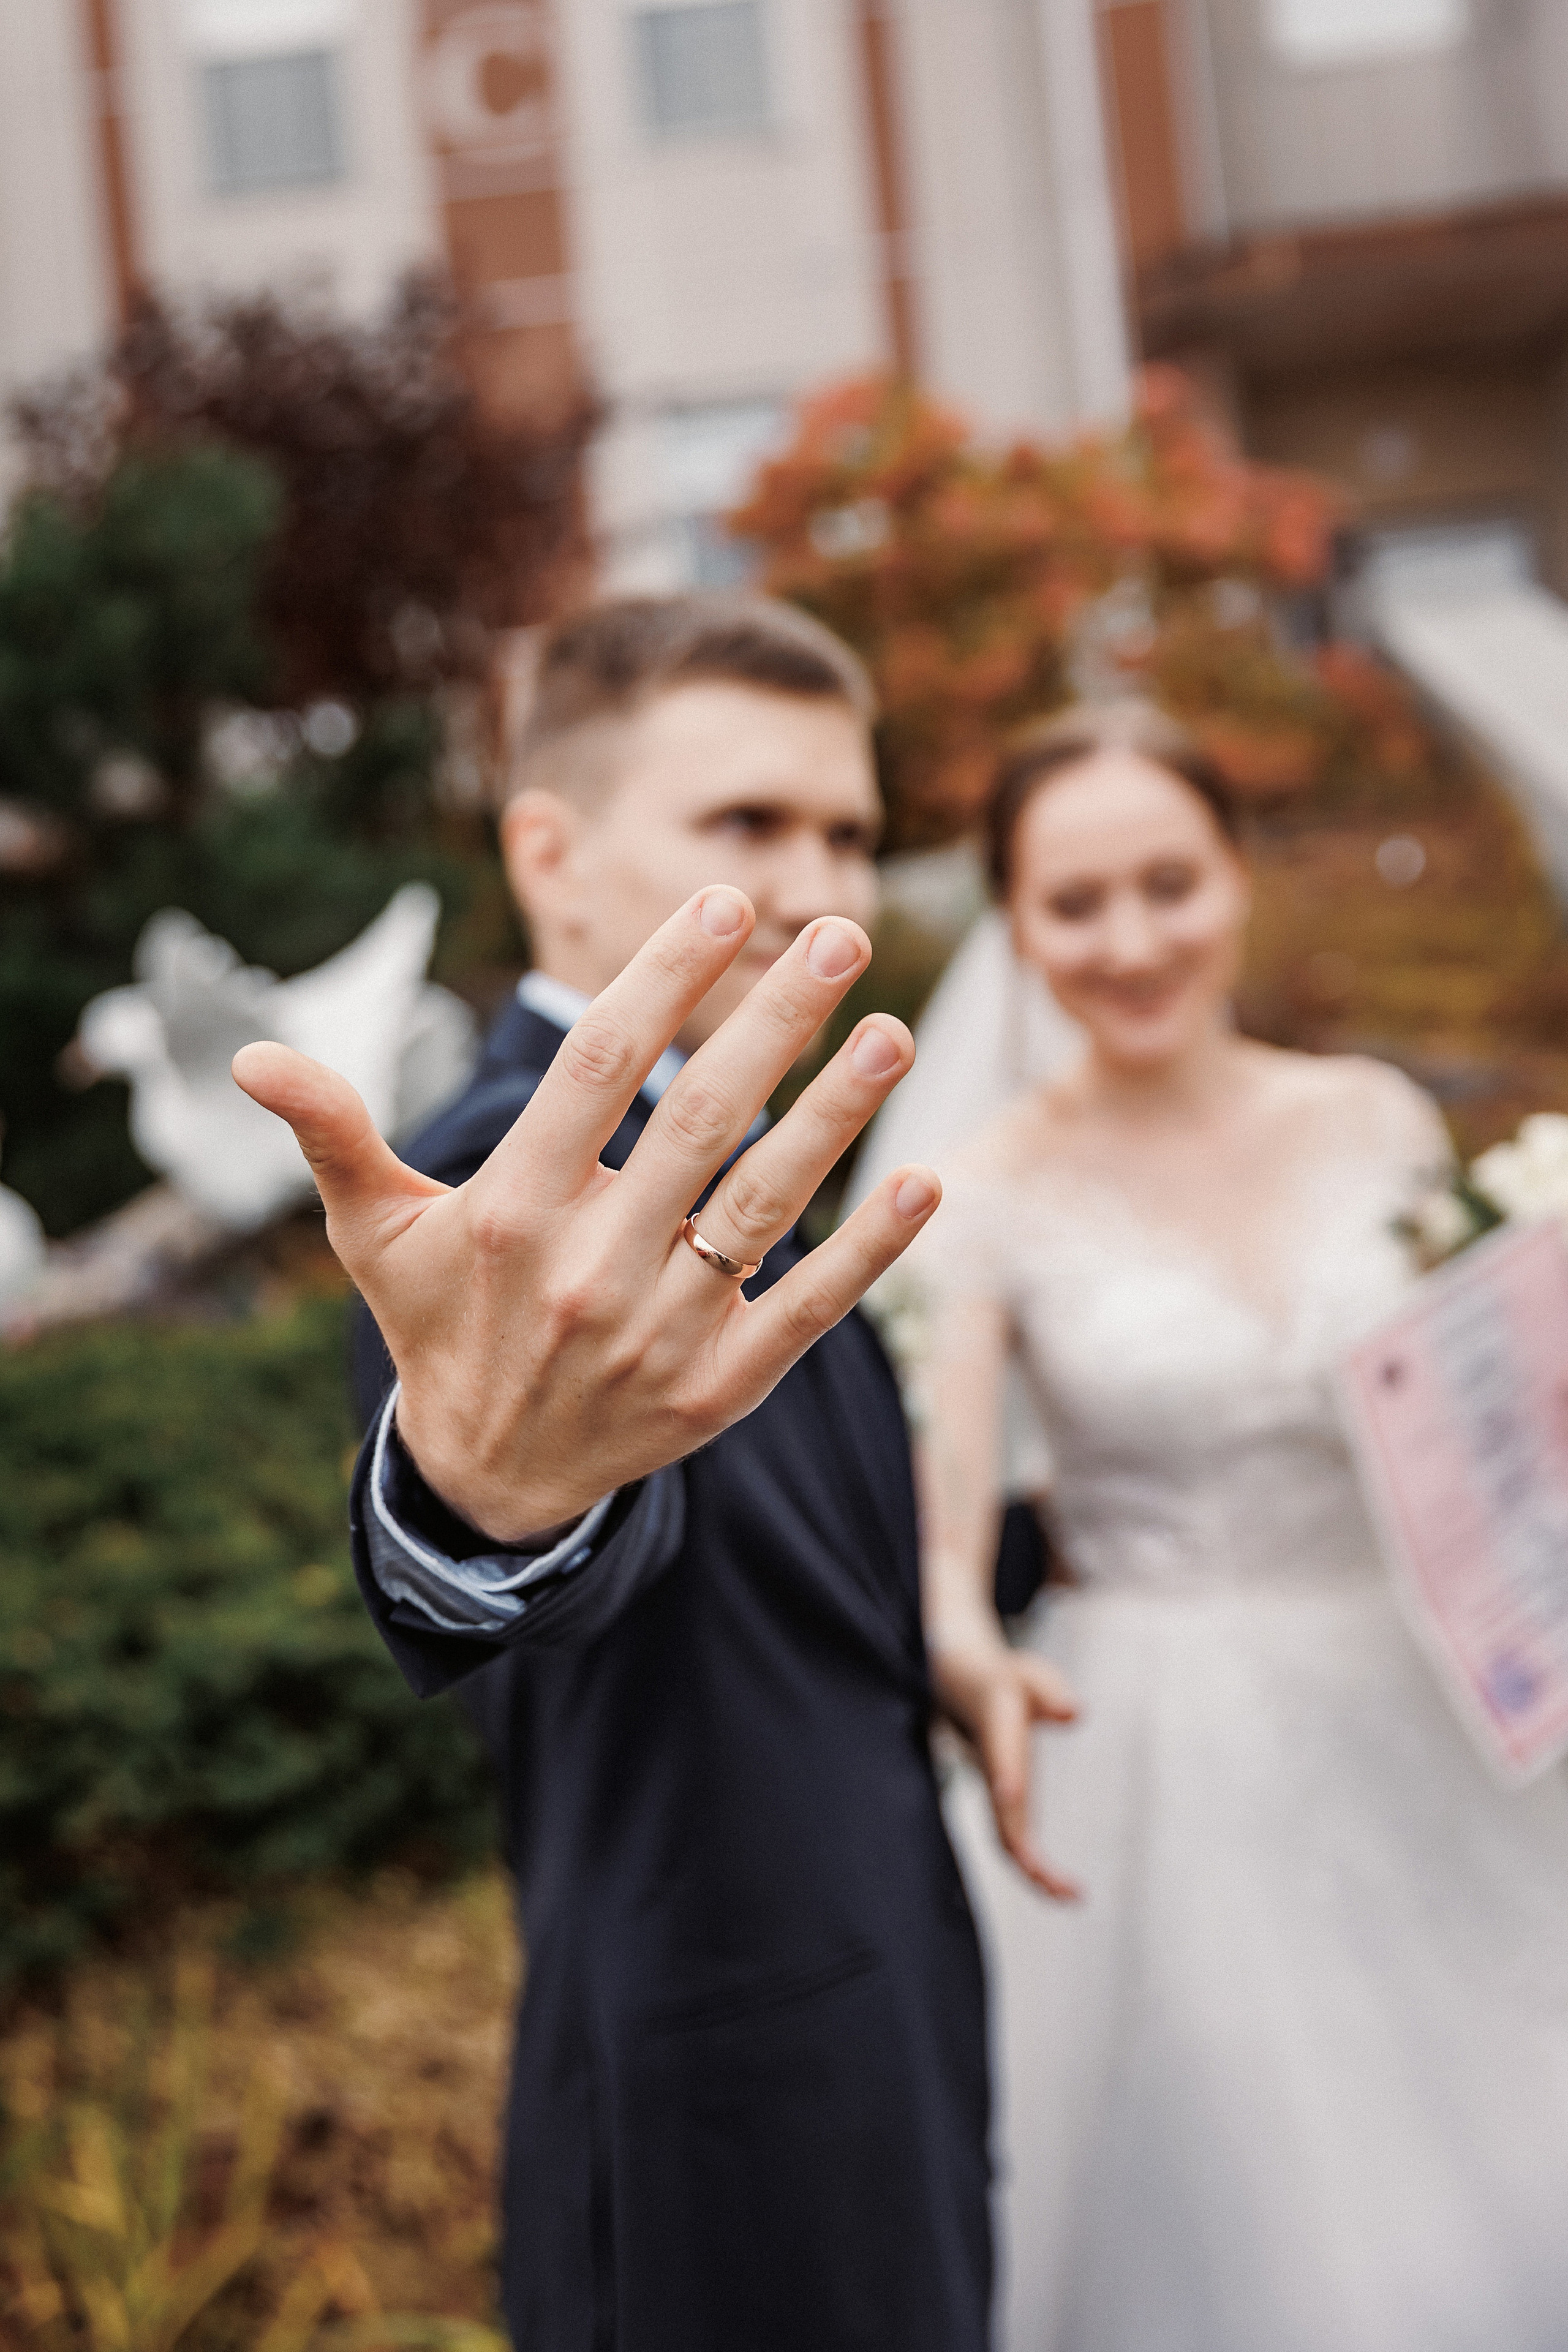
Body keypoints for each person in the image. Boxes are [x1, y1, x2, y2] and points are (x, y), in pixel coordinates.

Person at [233, 595, 1065, 2352]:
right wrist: (477, 1506)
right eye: (749, 823)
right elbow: (520, 1512)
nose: (819, 873)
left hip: (885, 2027)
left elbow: (800, 1572)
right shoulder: (493, 1211)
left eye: (849, 828)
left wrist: (992, 1595)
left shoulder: (756, 1167)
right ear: (553, 854)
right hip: (722, 2147)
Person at [907, 700, 1568, 2352]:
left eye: (1168, 884)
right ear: (1013, 925)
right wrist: (961, 1637)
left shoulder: (1377, 1119)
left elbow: (1481, 1425)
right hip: (1160, 1738)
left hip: (1442, 1694)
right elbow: (950, 1503)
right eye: (1073, 905)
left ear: (1237, 876)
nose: (1130, 942)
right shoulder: (980, 1191)